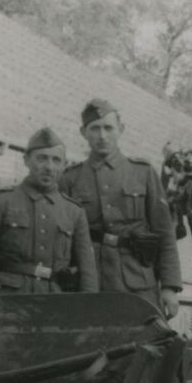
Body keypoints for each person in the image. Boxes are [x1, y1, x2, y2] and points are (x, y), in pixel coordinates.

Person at [60, 98, 182, 318]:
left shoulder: (143, 173)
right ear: (83, 132)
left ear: (121, 130)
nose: (102, 135)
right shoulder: (70, 178)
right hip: (89, 281)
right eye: (95, 128)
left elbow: (164, 232)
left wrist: (169, 287)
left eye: (108, 128)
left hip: (137, 281)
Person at [0, 127, 98, 295]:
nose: (49, 167)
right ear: (26, 160)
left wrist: (87, 308)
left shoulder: (74, 212)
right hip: (6, 300)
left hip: (56, 302)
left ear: (64, 165)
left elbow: (87, 272)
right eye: (42, 158)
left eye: (56, 160)